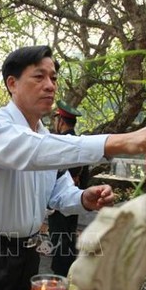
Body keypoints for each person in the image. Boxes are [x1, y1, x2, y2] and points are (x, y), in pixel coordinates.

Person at [0, 45, 146, 290]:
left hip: (26, 255)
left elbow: (58, 191)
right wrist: (117, 142)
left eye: (54, 78)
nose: (50, 86)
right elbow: (34, 152)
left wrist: (82, 197)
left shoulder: (45, 137)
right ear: (12, 83)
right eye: (39, 77)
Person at [47, 99, 91, 277]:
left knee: (59, 239)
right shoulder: (80, 142)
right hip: (77, 197)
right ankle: (68, 272)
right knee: (69, 237)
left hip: (60, 199)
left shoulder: (61, 143)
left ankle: (60, 276)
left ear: (61, 121)